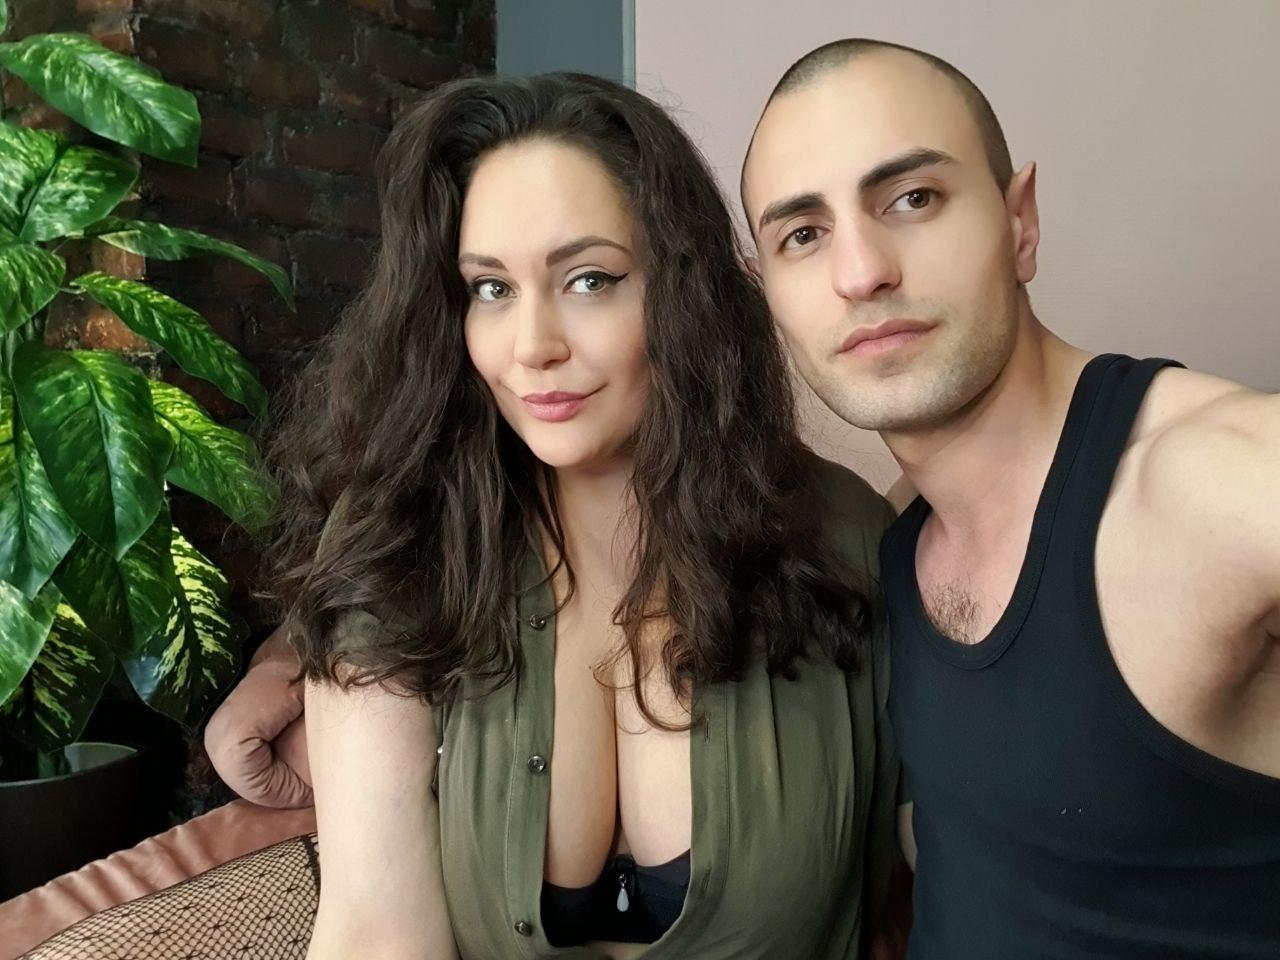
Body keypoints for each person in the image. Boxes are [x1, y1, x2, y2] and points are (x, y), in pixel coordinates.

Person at [22, 71, 900, 960]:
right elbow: (375, 932)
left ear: (686, 291)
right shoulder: (406, 549)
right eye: (490, 289)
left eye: (590, 279)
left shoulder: (845, 541)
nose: (532, 347)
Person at [741, 37, 1280, 959]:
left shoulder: (1213, 483)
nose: (860, 272)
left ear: (1020, 223)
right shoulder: (890, 534)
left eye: (912, 198)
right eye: (803, 233)